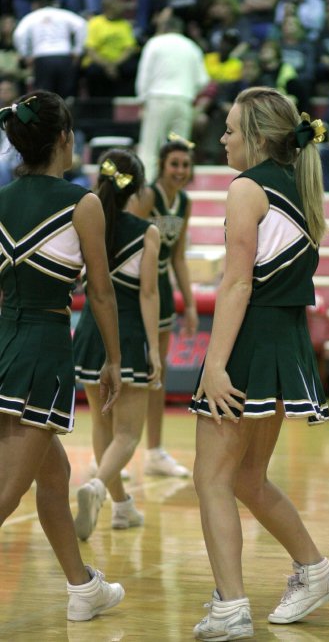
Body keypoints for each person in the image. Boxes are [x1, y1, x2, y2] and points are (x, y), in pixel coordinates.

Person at [189, 87, 329, 640]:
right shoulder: (299, 190)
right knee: (248, 478)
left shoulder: (247, 189)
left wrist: (213, 364)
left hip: (251, 344)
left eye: (231, 129)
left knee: (211, 477)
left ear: (256, 136)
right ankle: (316, 569)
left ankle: (231, 607)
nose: (224, 137)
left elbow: (236, 283)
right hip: (285, 345)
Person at [0, 90, 124, 620]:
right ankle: (82, 588)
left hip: (4, 340)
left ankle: (82, 588)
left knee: (53, 478)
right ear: (64, 139)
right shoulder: (83, 203)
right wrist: (114, 360)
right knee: (5, 493)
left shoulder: (0, 200)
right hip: (44, 349)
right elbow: (100, 291)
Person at [73, 148, 161, 540]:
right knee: (127, 434)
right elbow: (148, 294)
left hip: (90, 333)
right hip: (126, 337)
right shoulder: (147, 232)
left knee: (101, 424)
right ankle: (96, 487)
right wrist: (155, 351)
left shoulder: (86, 225)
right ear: (137, 190)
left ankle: (122, 507)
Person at [127, 137, 197, 477]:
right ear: (162, 165)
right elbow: (124, 242)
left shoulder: (185, 202)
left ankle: (154, 452)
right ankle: (111, 449)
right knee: (127, 369)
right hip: (134, 290)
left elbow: (179, 257)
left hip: (163, 293)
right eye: (174, 164)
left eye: (185, 164)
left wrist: (192, 304)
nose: (180, 171)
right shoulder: (147, 196)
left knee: (159, 373)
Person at [135, 12, 209, 181]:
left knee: (150, 149)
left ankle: (145, 190)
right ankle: (177, 190)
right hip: (184, 100)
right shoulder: (192, 47)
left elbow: (144, 75)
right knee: (180, 149)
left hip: (158, 98)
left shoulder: (155, 43)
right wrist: (189, 91)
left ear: (164, 27)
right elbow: (203, 80)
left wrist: (142, 100)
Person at [12, 0, 87, 98]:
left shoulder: (32, 16)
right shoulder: (63, 13)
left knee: (44, 96)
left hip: (42, 57)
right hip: (64, 55)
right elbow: (82, 25)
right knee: (67, 94)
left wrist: (26, 55)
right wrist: (78, 51)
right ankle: (67, 113)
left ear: (36, 5)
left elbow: (19, 34)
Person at [82, 0, 140, 98]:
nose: (122, 9)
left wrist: (114, 65)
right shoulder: (95, 23)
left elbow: (130, 48)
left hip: (119, 62)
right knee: (93, 71)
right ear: (108, 8)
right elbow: (90, 49)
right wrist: (107, 65)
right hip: (99, 63)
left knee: (132, 68)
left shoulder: (124, 24)